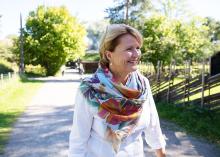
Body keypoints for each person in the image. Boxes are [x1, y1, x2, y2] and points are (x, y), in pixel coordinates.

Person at [69, 24, 166, 157]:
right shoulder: (89, 89)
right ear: (109, 55)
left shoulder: (142, 85)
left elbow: (153, 126)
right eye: (129, 49)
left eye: (138, 48)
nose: (136, 54)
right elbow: (78, 139)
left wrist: (161, 153)